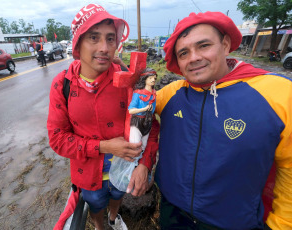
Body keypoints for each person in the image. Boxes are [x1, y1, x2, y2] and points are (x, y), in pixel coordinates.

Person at [155, 11, 292, 230]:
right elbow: (135, 112)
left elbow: (289, 166)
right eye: (183, 53)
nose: (194, 57)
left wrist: (282, 224)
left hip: (233, 223)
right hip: (172, 212)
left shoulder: (278, 94)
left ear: (226, 44)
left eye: (203, 45)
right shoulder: (171, 94)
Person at [47, 4, 159, 230]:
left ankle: (113, 218)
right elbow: (57, 139)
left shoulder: (126, 80)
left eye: (110, 39)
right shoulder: (63, 84)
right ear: (78, 43)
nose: (105, 47)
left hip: (124, 166)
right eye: (94, 37)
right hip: (87, 172)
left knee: (118, 194)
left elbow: (149, 125)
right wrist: (105, 146)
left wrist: (145, 165)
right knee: (95, 202)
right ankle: (100, 225)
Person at [109, 68, 157, 192]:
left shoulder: (153, 94)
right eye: (151, 78)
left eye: (154, 78)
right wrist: (144, 109)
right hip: (137, 122)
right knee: (135, 147)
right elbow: (131, 110)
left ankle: (135, 173)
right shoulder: (138, 93)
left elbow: (153, 112)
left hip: (147, 123)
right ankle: (128, 173)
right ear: (145, 79)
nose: (153, 80)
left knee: (143, 147)